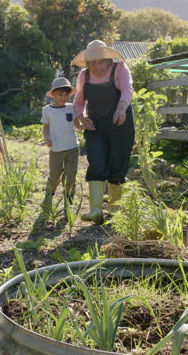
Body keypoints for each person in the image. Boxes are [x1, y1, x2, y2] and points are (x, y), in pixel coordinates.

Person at [71, 40, 135, 223]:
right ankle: (96, 210)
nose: (96, 66)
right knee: (96, 161)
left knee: (118, 162)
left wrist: (121, 109)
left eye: (100, 62)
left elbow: (127, 91)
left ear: (108, 60)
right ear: (87, 63)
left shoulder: (120, 69)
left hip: (120, 122)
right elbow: (79, 100)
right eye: (92, 62)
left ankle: (115, 210)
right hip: (95, 125)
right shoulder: (84, 75)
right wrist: (81, 117)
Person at [41, 77, 84, 212]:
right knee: (54, 176)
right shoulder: (47, 110)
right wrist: (47, 138)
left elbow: (77, 125)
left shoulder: (71, 108)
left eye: (66, 94)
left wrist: (87, 126)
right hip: (56, 150)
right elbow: (46, 127)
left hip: (72, 148)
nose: (63, 97)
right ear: (53, 94)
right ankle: (48, 197)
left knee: (71, 176)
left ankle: (68, 202)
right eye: (60, 94)